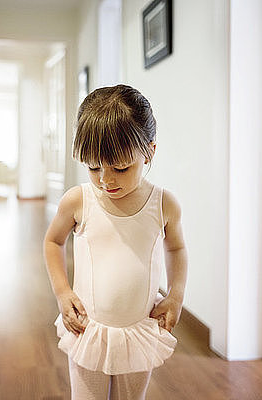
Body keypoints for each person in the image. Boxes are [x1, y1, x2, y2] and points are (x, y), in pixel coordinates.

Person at [43, 84, 188, 400]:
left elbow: (176, 248)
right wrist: (62, 292)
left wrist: (175, 295)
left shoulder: (163, 204)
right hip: (88, 329)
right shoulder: (78, 200)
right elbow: (53, 241)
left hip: (139, 330)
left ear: (149, 151)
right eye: (94, 167)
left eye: (121, 168)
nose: (106, 180)